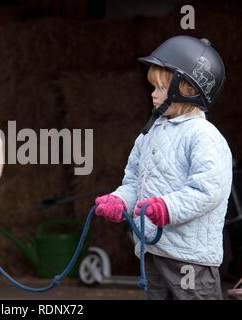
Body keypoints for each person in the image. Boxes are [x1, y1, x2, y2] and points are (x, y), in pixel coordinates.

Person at [95, 36, 232, 300]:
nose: (152, 94)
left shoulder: (203, 136)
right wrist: (120, 200)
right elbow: (136, 181)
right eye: (153, 87)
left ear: (188, 89)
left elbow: (208, 190)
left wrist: (167, 208)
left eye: (160, 88)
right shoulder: (150, 133)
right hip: (153, 251)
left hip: (189, 259)